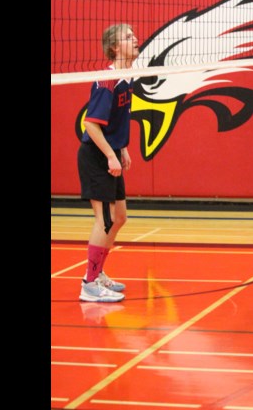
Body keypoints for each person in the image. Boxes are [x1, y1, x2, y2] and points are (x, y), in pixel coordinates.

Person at [76, 23, 140, 302]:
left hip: (110, 152)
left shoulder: (129, 78)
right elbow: (91, 125)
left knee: (120, 218)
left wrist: (122, 148)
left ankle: (98, 272)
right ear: (115, 48)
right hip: (96, 156)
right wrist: (111, 154)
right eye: (128, 37)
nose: (135, 39)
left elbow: (117, 119)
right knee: (105, 220)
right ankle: (89, 284)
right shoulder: (107, 82)